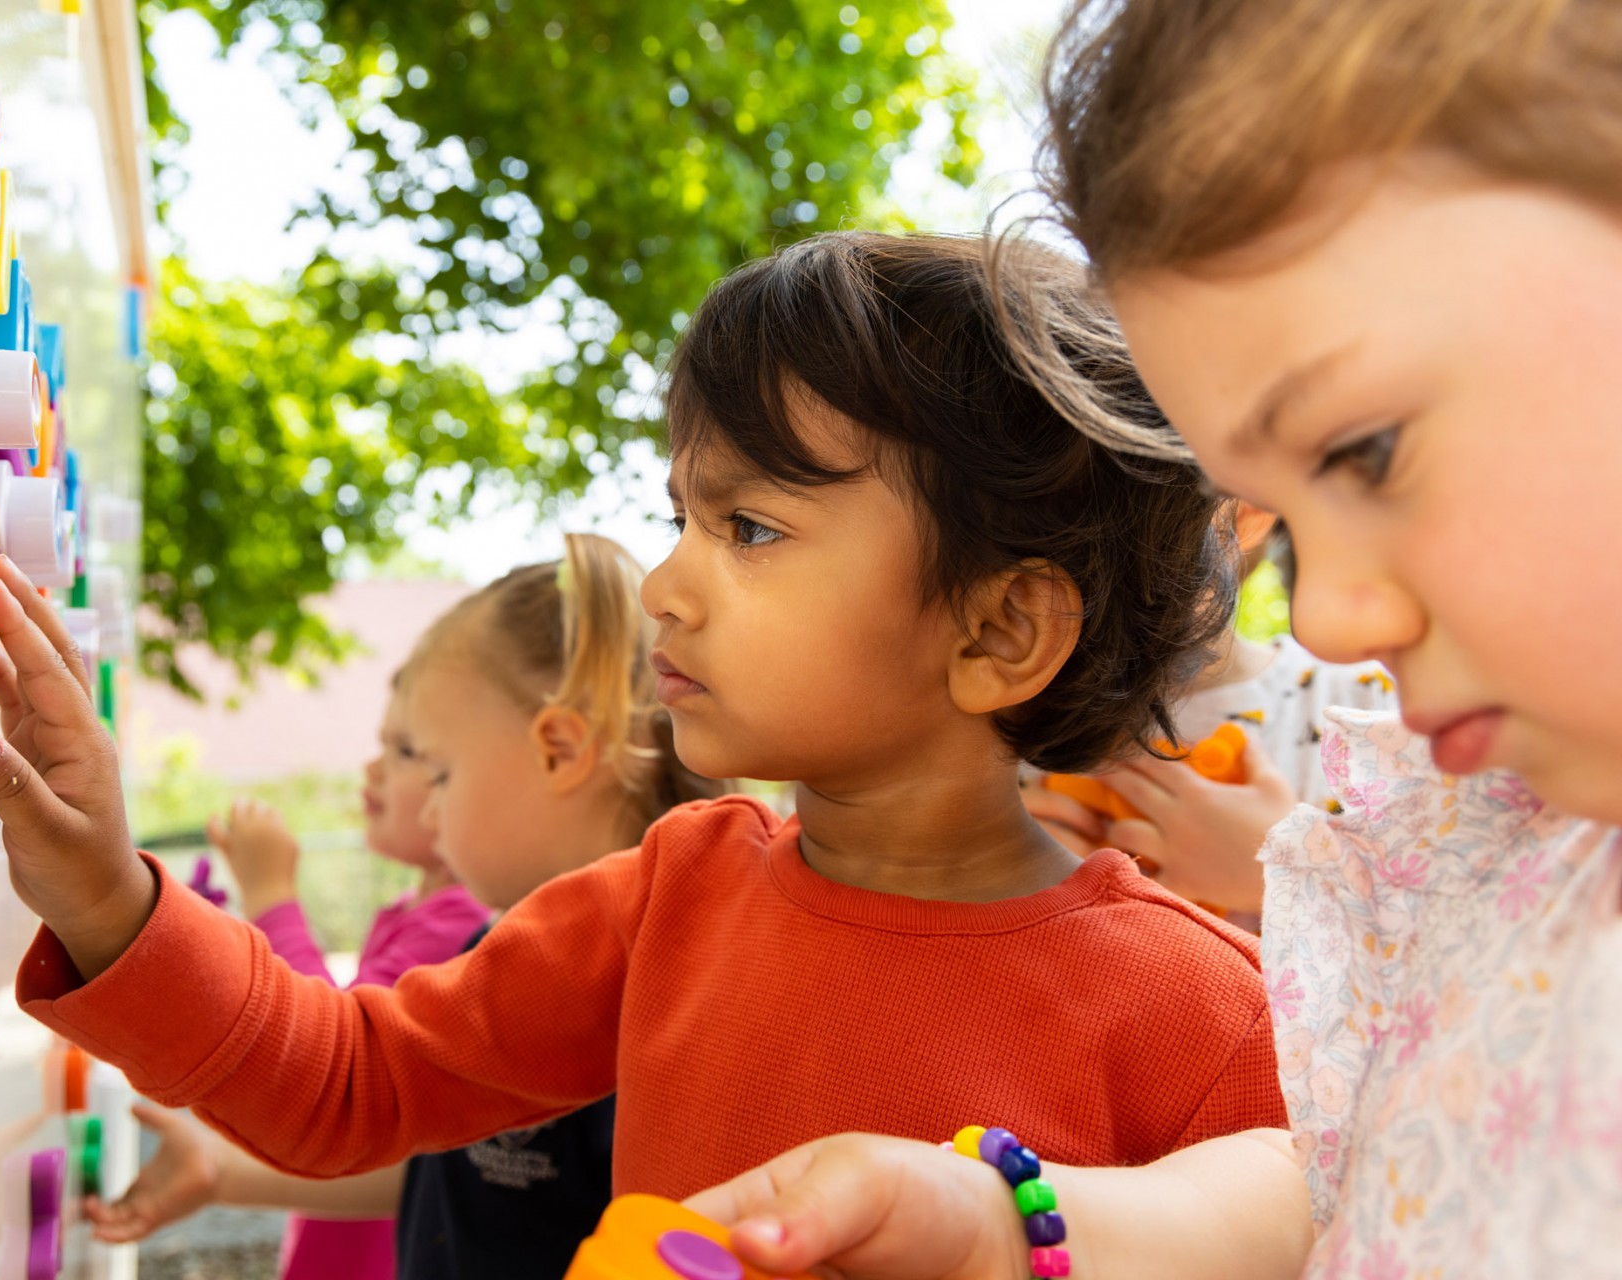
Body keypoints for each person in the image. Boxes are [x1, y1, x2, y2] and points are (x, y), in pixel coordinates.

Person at [0, 231, 1288, 1218]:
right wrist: (107, 903)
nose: (665, 585)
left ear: (998, 631)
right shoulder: (674, 901)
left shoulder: (1206, 1020)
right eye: (682, 518)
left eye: (750, 528)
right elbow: (347, 1085)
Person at [684, 1, 1622, 1274]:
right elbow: (1338, 1179)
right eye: (1286, 520)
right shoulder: (1486, 848)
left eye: (1367, 447)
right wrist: (998, 1229)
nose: (1333, 609)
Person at [89, 535, 714, 1277]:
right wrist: (224, 1175)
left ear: (559, 751)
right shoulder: (496, 947)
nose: (430, 812)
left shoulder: (658, 1000)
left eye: (438, 772)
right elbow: (433, 1153)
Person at [164, 682, 490, 1280]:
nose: (372, 766)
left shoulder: (459, 925)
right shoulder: (410, 909)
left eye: (405, 750)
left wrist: (271, 894)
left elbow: (330, 1065)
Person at [1024, 509, 1396, 927]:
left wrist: (1290, 870)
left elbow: (1454, 955)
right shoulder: (1002, 731)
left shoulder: (1369, 705)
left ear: (1245, 511)